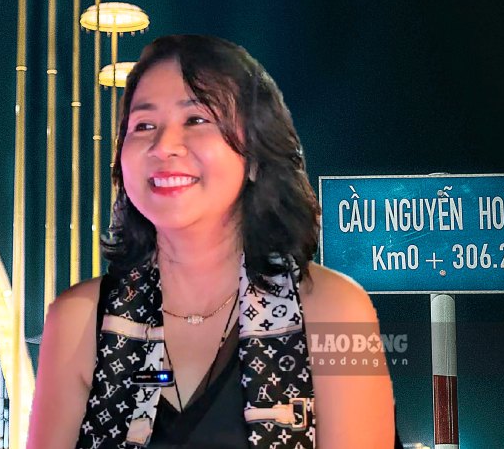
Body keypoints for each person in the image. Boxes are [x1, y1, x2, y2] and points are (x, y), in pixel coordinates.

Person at [28, 34, 397, 448]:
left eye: (196, 119)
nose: (164, 146)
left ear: (255, 154)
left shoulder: (335, 311)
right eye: (144, 125)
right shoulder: (78, 323)